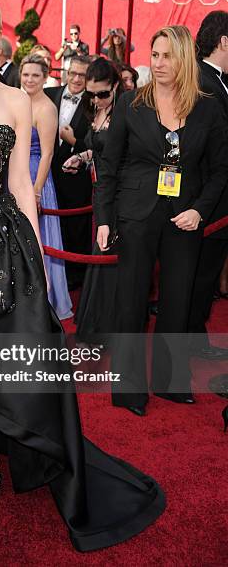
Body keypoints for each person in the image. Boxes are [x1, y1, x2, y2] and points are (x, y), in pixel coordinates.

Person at [0, 0, 165, 552]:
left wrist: (37, 263)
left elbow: (21, 183)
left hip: (2, 241)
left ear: (0, 41)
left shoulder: (17, 102)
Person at [95, 25, 228, 417]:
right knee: (131, 301)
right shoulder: (130, 103)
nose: (159, 63)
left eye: (167, 55)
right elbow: (109, 165)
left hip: (185, 215)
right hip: (136, 214)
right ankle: (129, 387)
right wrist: (104, 218)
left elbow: (221, 170)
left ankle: (172, 383)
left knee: (177, 300)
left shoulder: (208, 108)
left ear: (185, 58)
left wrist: (201, 209)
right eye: (155, 55)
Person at [62, 58, 122, 344]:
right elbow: (97, 151)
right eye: (91, 94)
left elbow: (121, 160)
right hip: (98, 192)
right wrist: (81, 158)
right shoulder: (97, 110)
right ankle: (95, 325)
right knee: (99, 258)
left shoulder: (124, 114)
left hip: (117, 198)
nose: (96, 100)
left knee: (109, 259)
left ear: (116, 87)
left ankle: (107, 330)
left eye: (103, 94)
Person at [20, 53, 72, 319]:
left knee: (39, 240)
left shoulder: (46, 108)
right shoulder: (17, 101)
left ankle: (44, 300)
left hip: (35, 177)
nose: (29, 79)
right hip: (13, 176)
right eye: (26, 74)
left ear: (44, 78)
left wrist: (36, 190)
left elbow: (48, 154)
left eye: (35, 75)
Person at [188, 10, 228, 360]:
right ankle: (190, 340)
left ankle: (195, 336)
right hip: (207, 198)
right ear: (224, 42)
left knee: (203, 274)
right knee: (199, 274)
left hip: (212, 197)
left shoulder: (211, 79)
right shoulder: (204, 81)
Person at [44, 55, 91, 290]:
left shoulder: (94, 102)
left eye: (82, 75)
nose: (75, 79)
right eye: (72, 73)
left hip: (76, 179)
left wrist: (74, 142)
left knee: (76, 229)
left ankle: (75, 277)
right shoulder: (50, 95)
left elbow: (99, 145)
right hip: (48, 176)